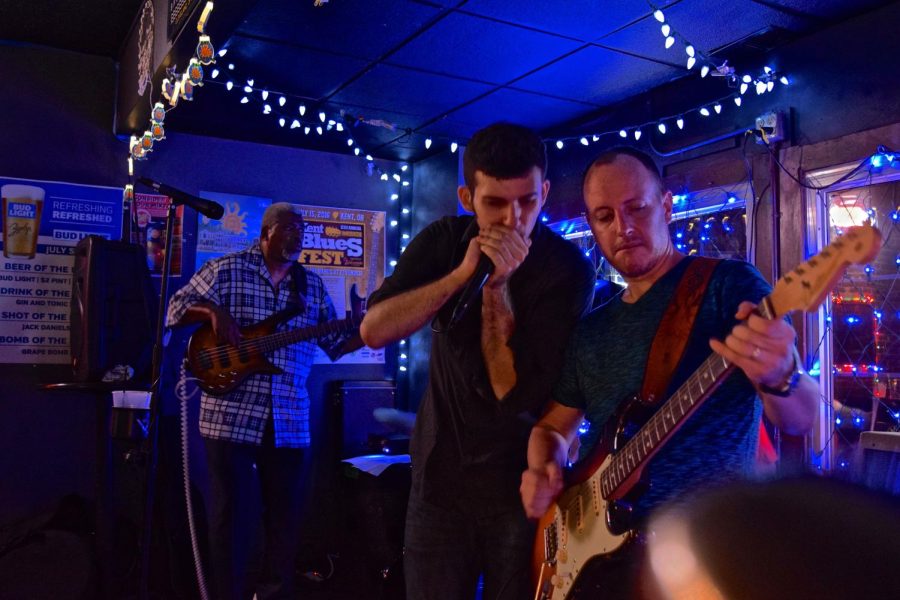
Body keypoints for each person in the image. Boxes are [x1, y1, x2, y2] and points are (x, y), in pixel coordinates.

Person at [519, 147, 819, 594]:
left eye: (636, 208)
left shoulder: (726, 286)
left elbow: (801, 416)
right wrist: (543, 465)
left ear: (665, 204)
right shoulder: (590, 330)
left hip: (710, 552)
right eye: (604, 216)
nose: (623, 227)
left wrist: (780, 374)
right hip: (603, 567)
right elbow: (552, 428)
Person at [360, 122, 595, 600]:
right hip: (438, 484)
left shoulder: (567, 269)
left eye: (528, 201)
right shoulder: (445, 240)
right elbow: (374, 329)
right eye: (495, 204)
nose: (513, 219)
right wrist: (462, 274)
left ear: (545, 191)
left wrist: (496, 288)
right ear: (467, 196)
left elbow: (510, 392)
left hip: (519, 493)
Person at [166, 202, 359, 600]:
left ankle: (271, 595)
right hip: (228, 413)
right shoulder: (227, 268)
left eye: (300, 231)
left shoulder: (310, 285)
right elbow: (173, 309)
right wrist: (213, 310)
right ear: (266, 233)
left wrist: (369, 325)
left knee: (284, 520)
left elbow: (337, 344)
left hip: (289, 417)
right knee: (230, 517)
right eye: (288, 229)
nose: (296, 237)